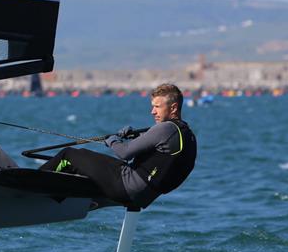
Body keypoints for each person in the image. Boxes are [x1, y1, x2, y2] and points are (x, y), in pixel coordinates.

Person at [40, 83, 197, 209]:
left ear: (174, 107)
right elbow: (158, 155)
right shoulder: (187, 134)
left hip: (127, 186)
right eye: (152, 106)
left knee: (69, 155)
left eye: (157, 106)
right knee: (84, 166)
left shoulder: (165, 128)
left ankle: (29, 186)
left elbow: (125, 153)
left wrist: (113, 140)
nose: (152, 112)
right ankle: (56, 197)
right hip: (144, 197)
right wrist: (136, 137)